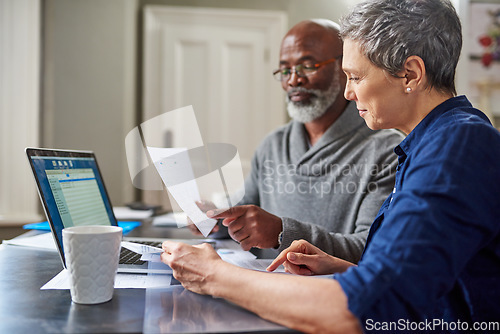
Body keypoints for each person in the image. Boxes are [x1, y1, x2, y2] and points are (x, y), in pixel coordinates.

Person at [162, 0, 500, 332]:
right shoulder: (428, 144)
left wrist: (214, 275)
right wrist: (340, 268)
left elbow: (369, 307)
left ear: (410, 74)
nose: (349, 93)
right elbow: (412, 277)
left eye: (354, 77)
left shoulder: (455, 148)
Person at [192, 19, 404, 263]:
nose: (293, 80)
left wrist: (283, 233)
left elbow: (371, 246)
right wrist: (217, 220)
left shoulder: (386, 150)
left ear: (344, 68)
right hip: (260, 286)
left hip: (328, 295)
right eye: (285, 70)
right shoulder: (273, 144)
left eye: (307, 66)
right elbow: (245, 215)